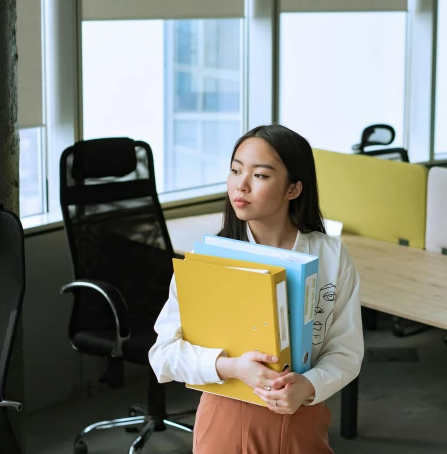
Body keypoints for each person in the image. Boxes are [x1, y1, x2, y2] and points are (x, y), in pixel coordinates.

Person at [149, 124, 364, 453]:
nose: (241, 185)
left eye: (260, 175)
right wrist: (231, 367)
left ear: (293, 189)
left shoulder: (331, 256)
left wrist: (308, 384)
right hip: (228, 421)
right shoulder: (210, 259)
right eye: (235, 171)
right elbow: (162, 356)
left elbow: (346, 352)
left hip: (303, 418)